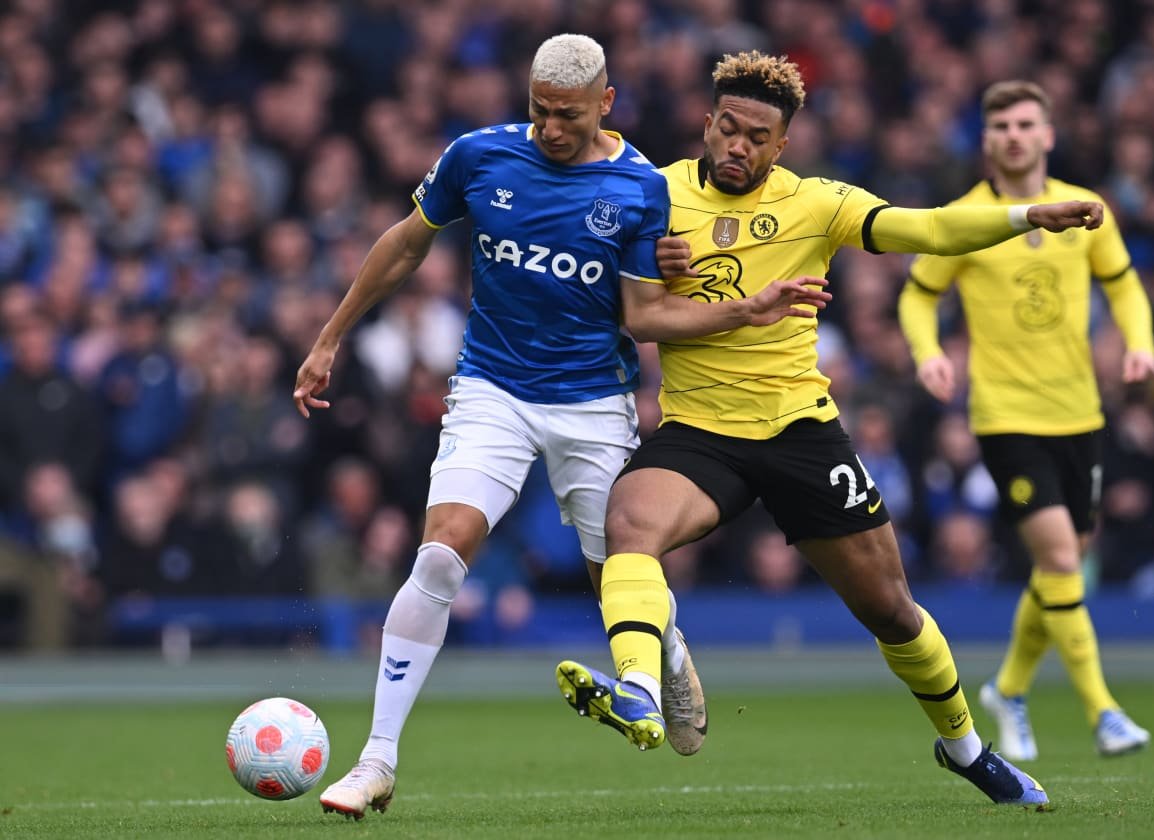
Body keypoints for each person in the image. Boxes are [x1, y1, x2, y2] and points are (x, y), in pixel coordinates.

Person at [291, 34, 831, 820]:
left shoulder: (639, 187)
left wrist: (740, 310)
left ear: (605, 103)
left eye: (568, 115)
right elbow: (406, 244)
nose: (550, 128)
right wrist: (329, 338)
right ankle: (376, 760)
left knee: (618, 574)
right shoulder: (479, 156)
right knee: (441, 552)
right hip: (492, 388)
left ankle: (666, 649)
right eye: (539, 110)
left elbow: (644, 315)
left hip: (592, 403)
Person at [554, 52, 1105, 810]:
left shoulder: (815, 202)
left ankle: (966, 749)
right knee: (628, 524)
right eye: (728, 128)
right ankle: (642, 690)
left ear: (782, 145)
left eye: (758, 137)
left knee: (892, 611)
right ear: (706, 124)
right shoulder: (657, 193)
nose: (739, 146)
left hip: (801, 434)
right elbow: (594, 269)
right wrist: (642, 255)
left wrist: (1024, 217)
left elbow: (928, 228)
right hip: (700, 432)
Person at [897, 80, 1154, 761]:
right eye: (1001, 127)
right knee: (1065, 560)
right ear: (986, 140)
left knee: (1058, 569)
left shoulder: (1086, 209)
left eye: (1024, 124)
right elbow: (918, 296)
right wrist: (928, 353)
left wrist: (1139, 341)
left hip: (1080, 414)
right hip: (1006, 417)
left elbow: (1124, 283)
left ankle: (1008, 689)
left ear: (1047, 135)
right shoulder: (967, 218)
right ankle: (1104, 712)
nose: (1013, 136)